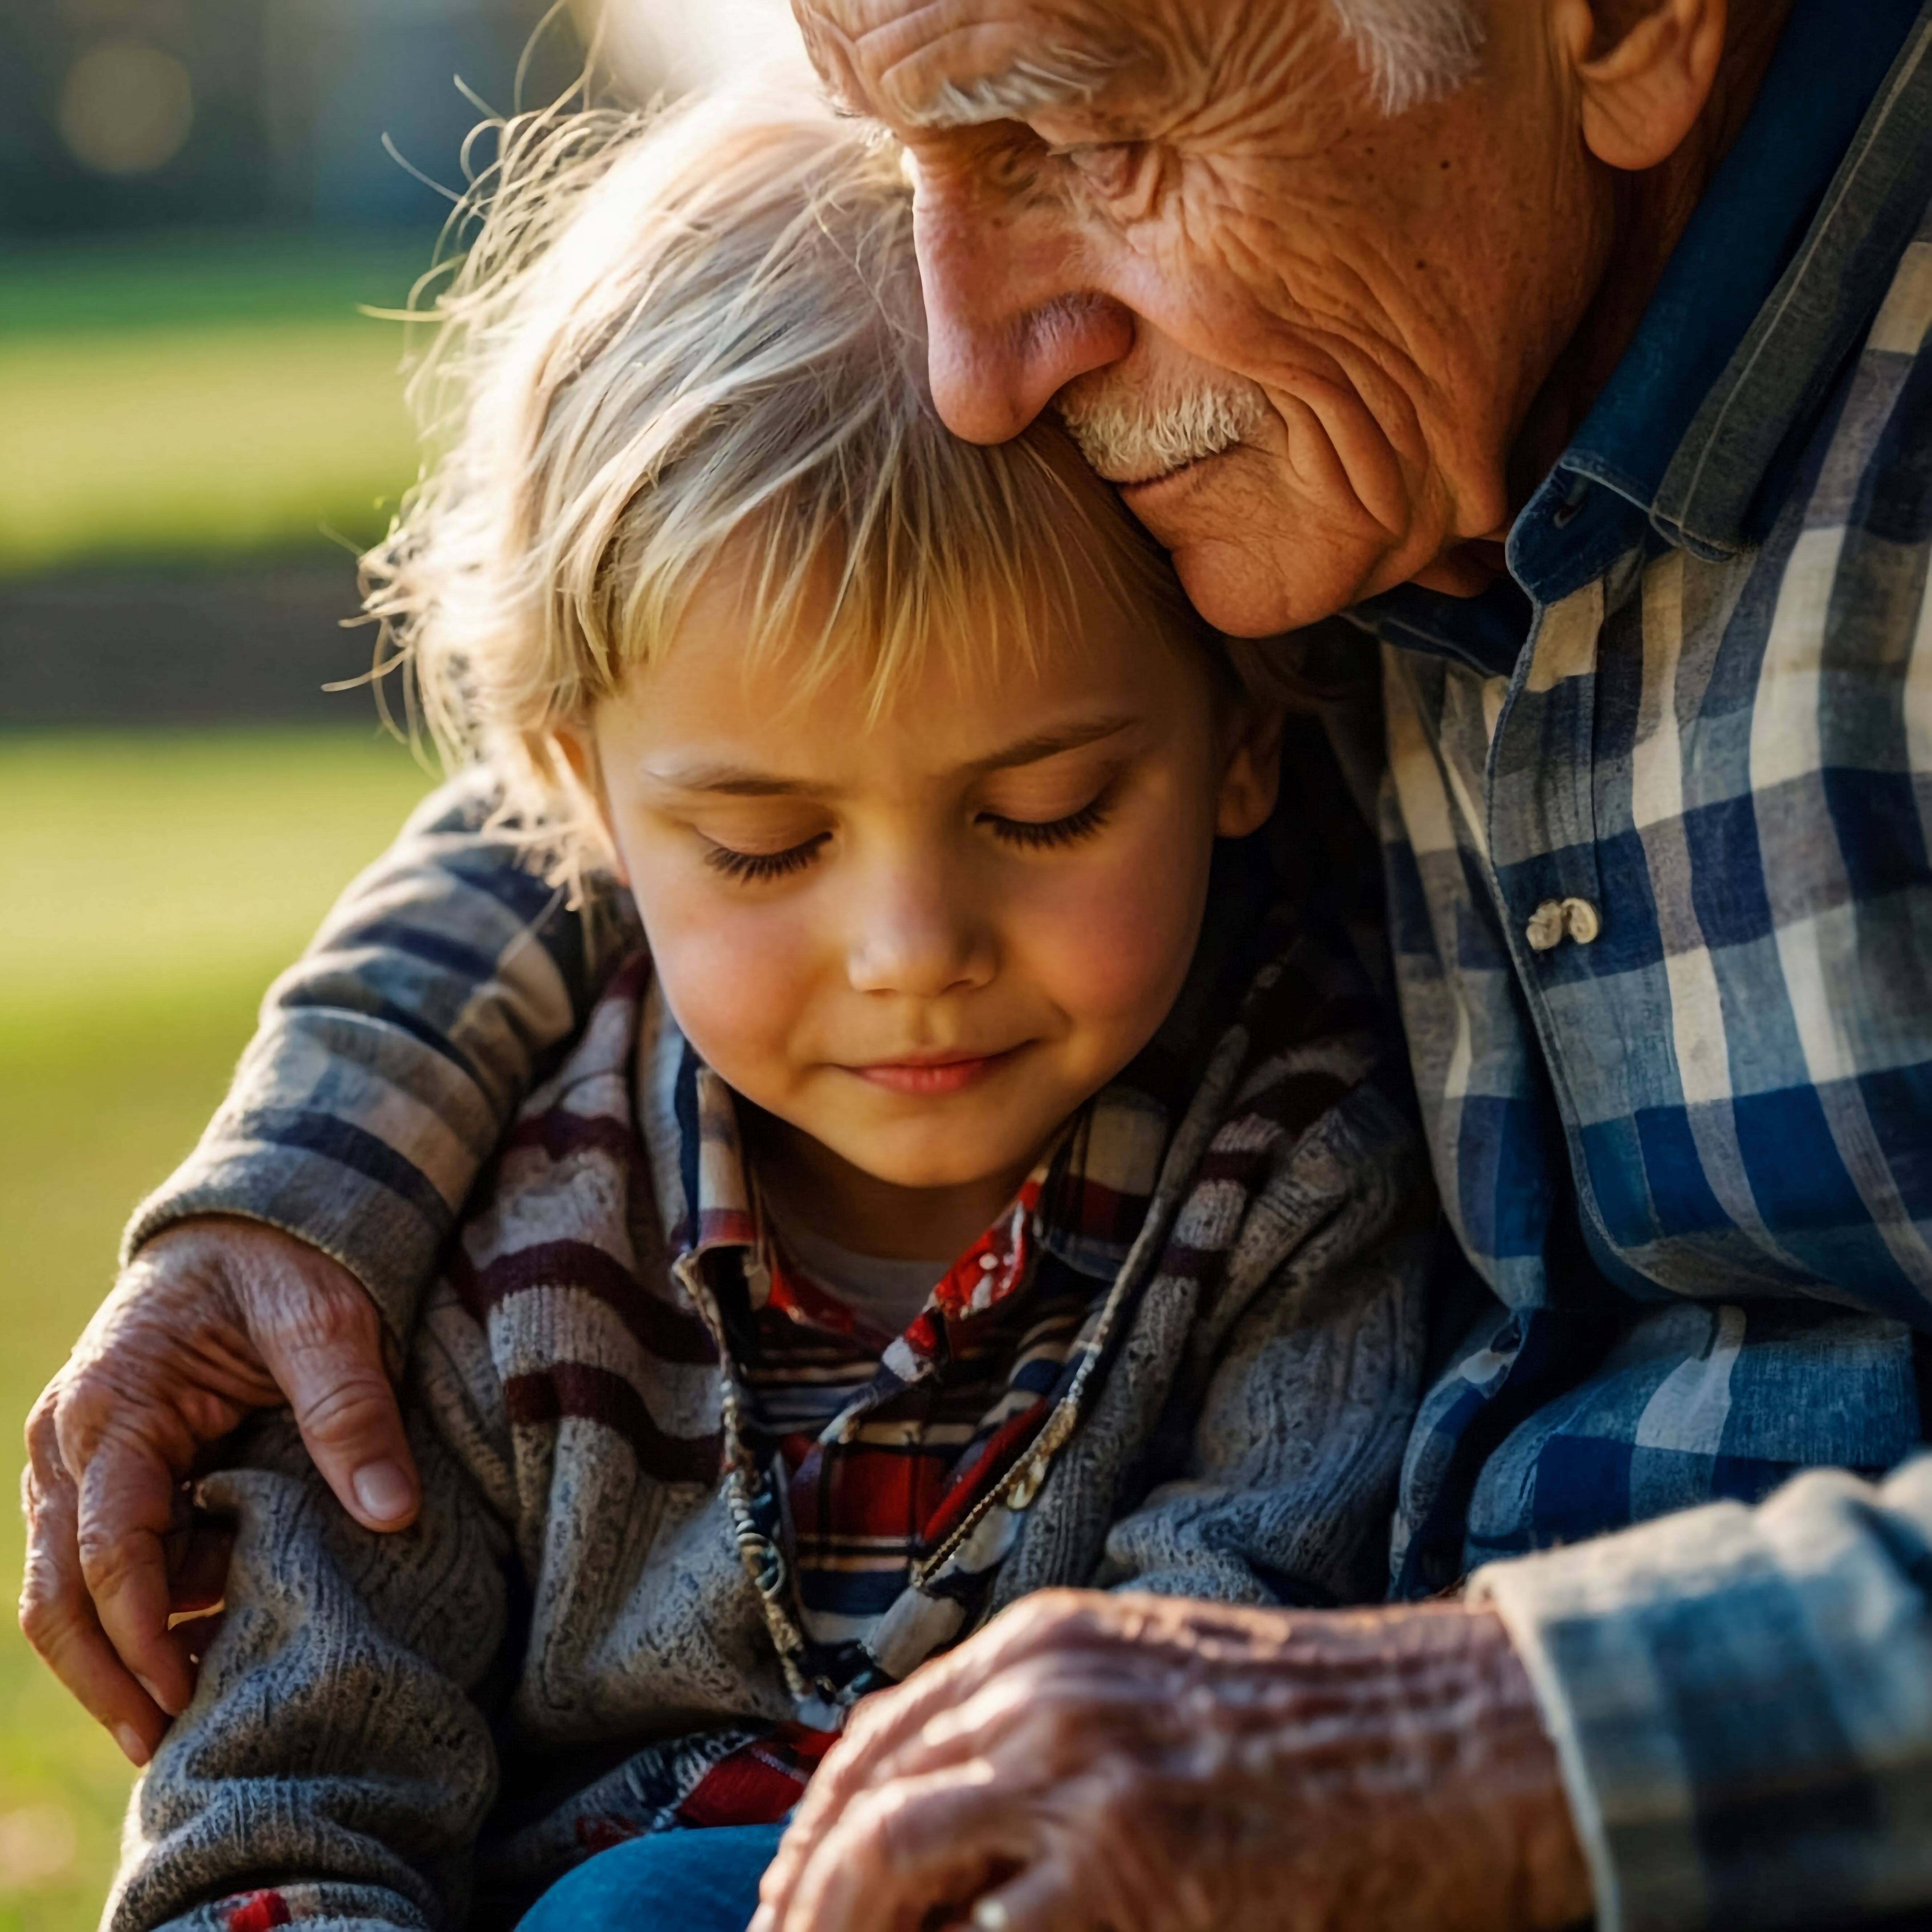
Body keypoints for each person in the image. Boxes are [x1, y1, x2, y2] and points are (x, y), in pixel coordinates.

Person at [23, 0, 1932, 1925]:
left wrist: (1506, 1750)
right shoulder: (1340, 397)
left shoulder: (1371, 405)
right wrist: (299, 1184)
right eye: (914, 150)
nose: (974, 362)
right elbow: (681, 739)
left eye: (1085, 133)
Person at [97, 93, 1433, 1932]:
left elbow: (1210, 1787)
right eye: (761, 840)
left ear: (1241, 738)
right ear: (583, 798)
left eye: (1040, 811)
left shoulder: (1298, 1183)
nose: (907, 946)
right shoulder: (488, 1242)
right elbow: (278, 1816)